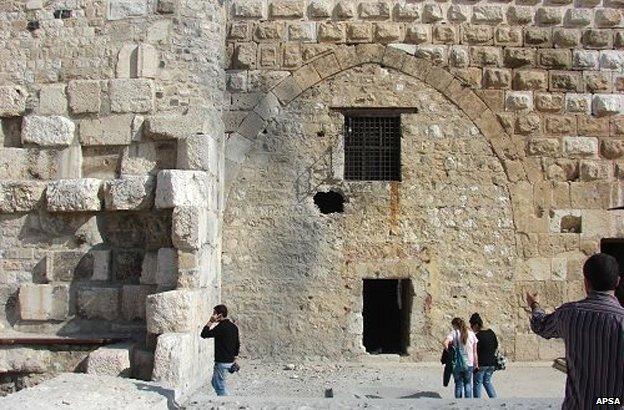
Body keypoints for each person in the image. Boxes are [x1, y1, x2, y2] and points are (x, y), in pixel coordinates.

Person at [527, 253, 624, 409]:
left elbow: (540, 326)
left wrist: (535, 305)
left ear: (586, 283)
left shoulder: (569, 314)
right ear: (617, 281)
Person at [200, 304, 240, 396]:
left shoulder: (220, 327)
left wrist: (210, 321)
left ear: (220, 315)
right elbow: (237, 344)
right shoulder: (234, 327)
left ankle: (228, 403)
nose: (213, 315)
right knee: (216, 383)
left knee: (220, 387)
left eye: (214, 313)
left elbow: (204, 334)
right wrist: (235, 357)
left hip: (222, 362)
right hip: (230, 361)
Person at [444, 317, 478, 398]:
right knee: (468, 383)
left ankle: (458, 402)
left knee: (458, 384)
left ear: (455, 325)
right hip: (469, 363)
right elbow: (475, 352)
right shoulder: (471, 334)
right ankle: (468, 402)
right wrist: (476, 364)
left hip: (457, 363)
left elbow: (445, 343)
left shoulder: (454, 333)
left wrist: (450, 351)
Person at [469, 313, 498, 399]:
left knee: (477, 383)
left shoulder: (477, 336)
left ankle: (477, 402)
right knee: (487, 382)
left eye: (472, 325)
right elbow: (496, 346)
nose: (471, 328)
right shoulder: (491, 332)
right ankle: (494, 399)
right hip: (492, 363)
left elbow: (474, 351)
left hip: (481, 364)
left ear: (476, 325)